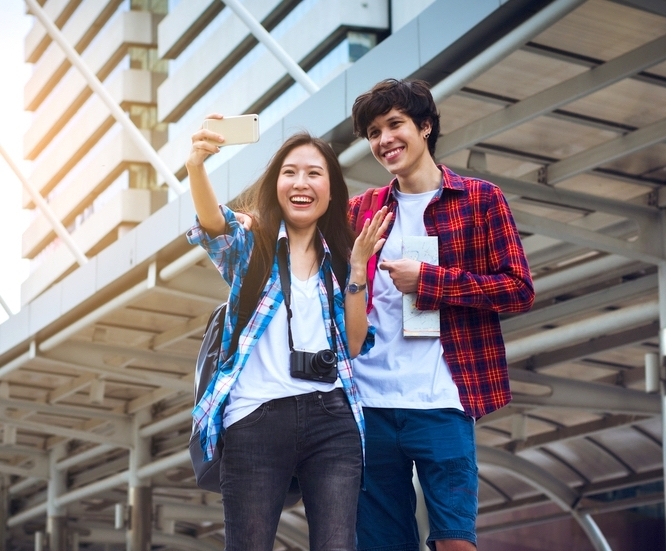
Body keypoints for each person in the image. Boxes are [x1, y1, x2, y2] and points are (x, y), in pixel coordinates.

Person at [348, 78, 535, 551]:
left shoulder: (480, 198)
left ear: (426, 126)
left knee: (456, 543)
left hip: (443, 403)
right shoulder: (361, 211)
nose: (384, 139)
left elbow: (518, 289)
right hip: (369, 404)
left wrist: (431, 281)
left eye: (395, 125)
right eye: (373, 132)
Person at [186, 119, 390, 551]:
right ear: (276, 183)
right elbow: (213, 223)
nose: (302, 183)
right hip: (255, 417)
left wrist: (357, 271)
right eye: (290, 172)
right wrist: (196, 166)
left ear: (331, 190)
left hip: (332, 420)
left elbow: (354, 345)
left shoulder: (340, 259)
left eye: (315, 173)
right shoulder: (253, 246)